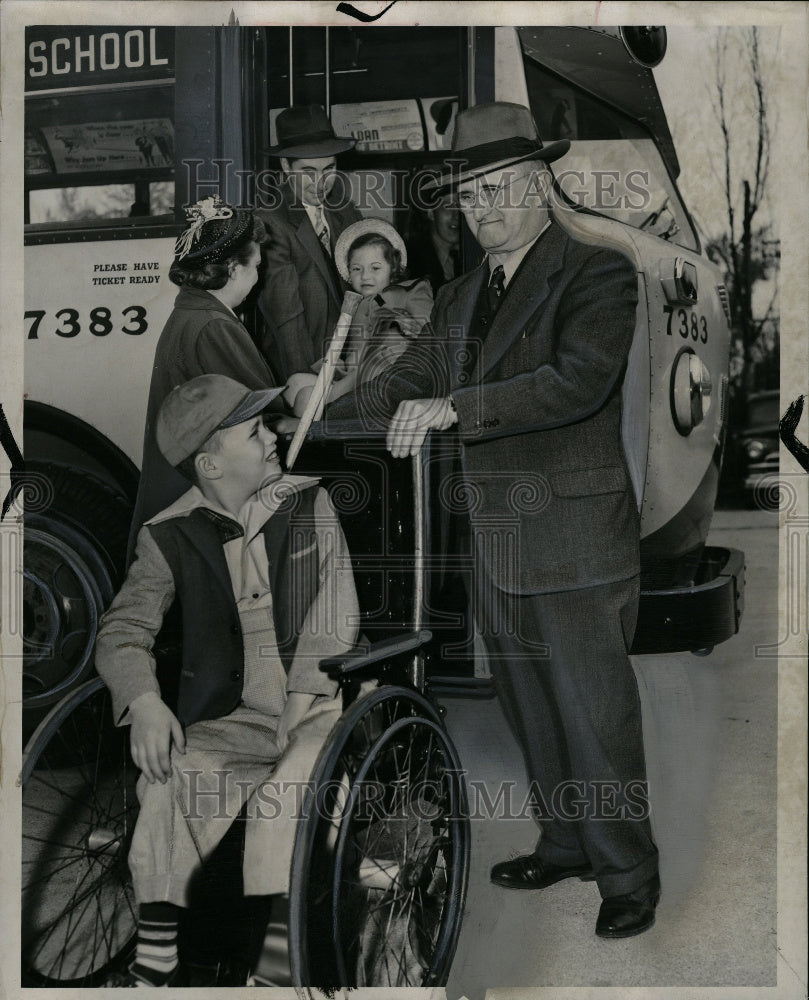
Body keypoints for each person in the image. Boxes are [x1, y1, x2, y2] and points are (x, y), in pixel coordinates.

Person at [328, 101, 660, 939]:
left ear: (538, 182)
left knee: (596, 715)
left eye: (495, 189)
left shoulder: (598, 271)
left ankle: (627, 872)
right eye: (466, 197)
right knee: (529, 705)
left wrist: (452, 410)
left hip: (577, 538)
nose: (478, 210)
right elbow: (411, 379)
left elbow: (574, 381)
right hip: (499, 541)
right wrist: (318, 412)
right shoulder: (465, 294)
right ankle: (564, 843)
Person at [96, 374, 360, 986]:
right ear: (211, 463)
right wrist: (144, 700)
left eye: (268, 425)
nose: (273, 437)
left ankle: (276, 954)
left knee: (286, 792)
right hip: (240, 713)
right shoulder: (168, 533)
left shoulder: (309, 501)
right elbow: (121, 630)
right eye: (256, 431)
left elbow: (332, 615)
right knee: (170, 775)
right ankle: (158, 945)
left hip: (316, 695)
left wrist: (299, 703)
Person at [128, 195, 282, 559]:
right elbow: (260, 413)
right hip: (204, 504)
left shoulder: (194, 313)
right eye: (256, 266)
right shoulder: (214, 326)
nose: (259, 276)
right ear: (233, 268)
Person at [283, 218, 433, 416]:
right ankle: (322, 407)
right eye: (357, 269)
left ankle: (321, 409)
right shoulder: (354, 303)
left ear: (394, 268)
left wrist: (409, 325)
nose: (365, 276)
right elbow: (351, 347)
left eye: (375, 268)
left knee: (304, 400)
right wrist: (339, 364)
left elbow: (429, 329)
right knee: (293, 384)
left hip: (386, 374)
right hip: (354, 375)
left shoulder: (412, 291)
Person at [256, 105, 362, 382]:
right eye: (308, 171)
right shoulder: (270, 222)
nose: (320, 183)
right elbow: (286, 317)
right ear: (285, 166)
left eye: (329, 168)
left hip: (351, 364)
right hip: (306, 369)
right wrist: (306, 386)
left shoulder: (346, 212)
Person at [406, 193, 462, 292]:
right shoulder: (411, 260)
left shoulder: (472, 257)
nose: (456, 215)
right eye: (448, 206)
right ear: (431, 213)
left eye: (460, 206)